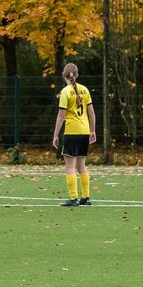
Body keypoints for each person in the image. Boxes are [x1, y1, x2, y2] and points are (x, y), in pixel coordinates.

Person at [52, 63, 96, 207]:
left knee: (70, 167)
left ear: (64, 75)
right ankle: (86, 197)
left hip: (71, 132)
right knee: (81, 166)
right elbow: (91, 113)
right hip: (84, 131)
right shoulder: (85, 90)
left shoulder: (65, 92)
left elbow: (61, 115)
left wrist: (55, 134)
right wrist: (92, 130)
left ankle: (73, 198)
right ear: (77, 75)